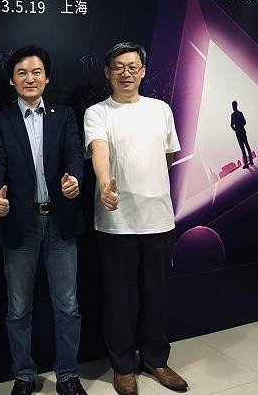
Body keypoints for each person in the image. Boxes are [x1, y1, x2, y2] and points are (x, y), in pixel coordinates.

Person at [84, 42, 188, 395]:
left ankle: (156, 359)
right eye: (118, 67)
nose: (125, 73)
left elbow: (168, 157)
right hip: (116, 222)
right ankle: (123, 366)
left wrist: (150, 186)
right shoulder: (98, 112)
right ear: (107, 72)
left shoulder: (161, 110)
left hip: (159, 220)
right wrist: (104, 182)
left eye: (132, 67)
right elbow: (99, 149)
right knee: (119, 299)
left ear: (143, 71)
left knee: (156, 295)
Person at [0, 46, 87, 395]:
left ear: (47, 77)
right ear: (12, 81)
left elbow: (74, 153)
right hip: (19, 224)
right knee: (18, 308)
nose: (30, 78)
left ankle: (68, 375)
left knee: (68, 305)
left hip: (61, 222)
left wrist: (75, 180)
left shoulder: (65, 115)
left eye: (36, 71)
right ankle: (24, 375)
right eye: (22, 73)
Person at [230, 101, 254, 168]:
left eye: (233, 106)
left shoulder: (237, 114)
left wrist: (237, 128)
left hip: (240, 132)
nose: (233, 107)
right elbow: (232, 125)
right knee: (244, 147)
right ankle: (248, 162)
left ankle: (249, 161)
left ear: (236, 106)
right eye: (232, 106)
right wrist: (236, 129)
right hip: (240, 132)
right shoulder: (236, 114)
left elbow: (243, 122)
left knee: (245, 146)